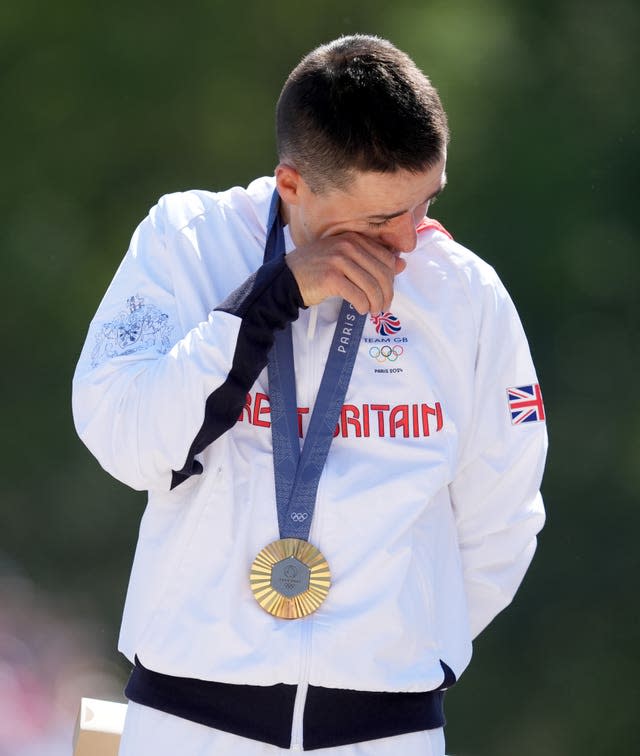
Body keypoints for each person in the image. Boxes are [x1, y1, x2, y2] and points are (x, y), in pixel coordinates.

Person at [72, 34, 547, 756]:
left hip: (387, 730)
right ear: (292, 186)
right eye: (382, 219)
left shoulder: (465, 294)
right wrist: (272, 296)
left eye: (424, 203)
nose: (411, 241)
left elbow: (501, 518)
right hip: (187, 719)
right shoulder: (187, 241)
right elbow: (125, 436)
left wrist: (402, 645)